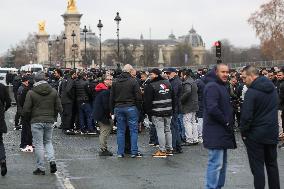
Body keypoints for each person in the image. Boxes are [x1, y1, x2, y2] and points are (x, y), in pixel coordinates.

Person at [240, 65, 280, 189]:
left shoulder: (251, 92)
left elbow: (246, 117)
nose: (243, 80)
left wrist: (244, 133)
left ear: (252, 76)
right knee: (272, 165)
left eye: (244, 77)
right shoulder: (272, 89)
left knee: (257, 168)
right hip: (271, 132)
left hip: (255, 135)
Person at [203, 64, 237, 189]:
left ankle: (217, 186)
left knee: (222, 164)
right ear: (216, 72)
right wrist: (226, 121)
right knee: (216, 163)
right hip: (216, 131)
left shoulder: (221, 86)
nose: (226, 74)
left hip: (222, 131)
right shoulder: (213, 86)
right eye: (222, 72)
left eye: (227, 72)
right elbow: (212, 108)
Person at [23, 71, 63, 175]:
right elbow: (59, 108)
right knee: (48, 142)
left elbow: (26, 110)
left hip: (36, 121)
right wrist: (54, 117)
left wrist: (28, 119)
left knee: (39, 144)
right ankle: (52, 161)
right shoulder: (53, 91)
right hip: (49, 121)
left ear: (35, 80)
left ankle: (41, 168)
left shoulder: (31, 92)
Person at [110, 64, 142, 158]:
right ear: (130, 71)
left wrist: (112, 110)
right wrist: (138, 108)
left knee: (120, 131)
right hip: (131, 107)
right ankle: (134, 152)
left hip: (118, 107)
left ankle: (120, 152)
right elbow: (138, 97)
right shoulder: (133, 81)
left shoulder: (115, 81)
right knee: (133, 131)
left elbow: (111, 97)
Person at [144, 68, 174, 158]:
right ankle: (169, 149)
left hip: (157, 112)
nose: (150, 76)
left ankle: (162, 150)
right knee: (168, 130)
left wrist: (148, 113)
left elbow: (148, 101)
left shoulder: (151, 85)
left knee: (160, 130)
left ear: (156, 74)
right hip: (168, 110)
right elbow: (173, 97)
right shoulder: (168, 83)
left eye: (151, 74)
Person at [164, 68, 183, 154]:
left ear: (174, 73)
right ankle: (177, 146)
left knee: (173, 128)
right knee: (174, 127)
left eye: (169, 73)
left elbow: (173, 95)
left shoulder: (175, 82)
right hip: (175, 107)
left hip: (173, 107)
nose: (167, 74)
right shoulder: (175, 80)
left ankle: (175, 146)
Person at [94, 75, 113, 156]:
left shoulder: (100, 89)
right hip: (103, 115)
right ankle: (103, 149)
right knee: (104, 132)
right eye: (109, 79)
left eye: (111, 79)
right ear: (104, 81)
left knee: (103, 131)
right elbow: (106, 105)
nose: (111, 81)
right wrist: (109, 114)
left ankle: (103, 148)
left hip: (99, 114)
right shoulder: (105, 91)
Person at [180, 69, 199, 146]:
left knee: (187, 122)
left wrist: (181, 99)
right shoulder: (193, 81)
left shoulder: (187, 82)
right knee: (193, 122)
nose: (180, 76)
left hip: (188, 105)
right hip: (194, 104)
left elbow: (188, 92)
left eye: (181, 75)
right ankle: (195, 139)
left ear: (184, 75)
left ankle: (189, 140)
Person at [17, 75, 33, 152]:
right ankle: (25, 144)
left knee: (26, 128)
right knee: (26, 129)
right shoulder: (24, 89)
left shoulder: (22, 88)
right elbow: (20, 101)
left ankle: (25, 144)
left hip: (24, 111)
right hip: (26, 111)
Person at [59, 70, 76, 135]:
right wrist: (72, 97)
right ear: (73, 74)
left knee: (64, 114)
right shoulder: (70, 80)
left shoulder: (63, 80)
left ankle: (64, 128)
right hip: (68, 100)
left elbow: (60, 90)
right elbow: (68, 90)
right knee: (68, 115)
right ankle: (67, 128)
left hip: (63, 99)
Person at [0, 82, 11, 176]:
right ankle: (2, 159)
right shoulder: (2, 87)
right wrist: (4, 109)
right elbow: (9, 102)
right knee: (0, 142)